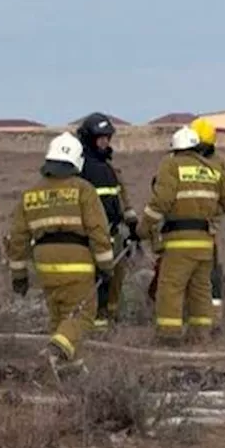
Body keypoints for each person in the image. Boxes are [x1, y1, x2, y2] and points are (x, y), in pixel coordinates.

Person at [6, 132, 114, 378]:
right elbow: (98, 230)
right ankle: (54, 352)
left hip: (44, 264)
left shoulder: (31, 194)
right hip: (76, 261)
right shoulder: (83, 190)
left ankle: (66, 370)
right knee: (83, 315)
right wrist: (106, 266)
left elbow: (18, 237)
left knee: (59, 317)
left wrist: (19, 275)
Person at [138, 127, 225, 345]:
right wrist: (212, 210)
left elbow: (161, 202)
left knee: (171, 288)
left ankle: (168, 337)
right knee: (201, 290)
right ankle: (201, 337)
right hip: (205, 243)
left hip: (179, 242)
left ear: (175, 149)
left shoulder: (171, 165)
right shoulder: (212, 167)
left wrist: (143, 229)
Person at [73, 113, 139, 329]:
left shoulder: (110, 168)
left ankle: (110, 319)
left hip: (114, 233)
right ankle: (94, 324)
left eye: (108, 138)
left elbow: (121, 198)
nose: (105, 142)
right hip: (90, 236)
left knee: (114, 280)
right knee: (96, 281)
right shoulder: (80, 168)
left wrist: (132, 226)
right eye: (101, 138)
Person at [190, 117, 225, 327]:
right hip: (185, 225)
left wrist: (216, 208)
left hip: (208, 227)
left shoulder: (222, 163)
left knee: (210, 271)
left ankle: (213, 315)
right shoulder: (181, 160)